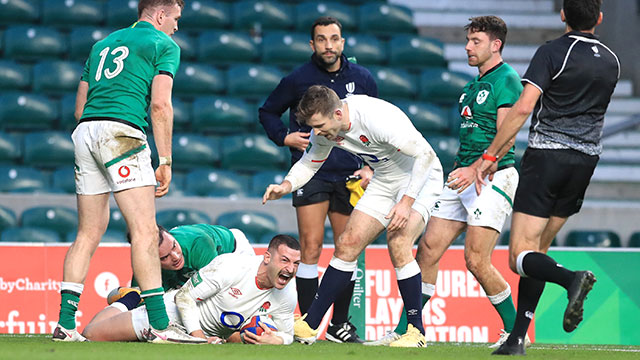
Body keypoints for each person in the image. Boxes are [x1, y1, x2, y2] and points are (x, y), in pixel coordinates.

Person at [366, 16, 527, 348]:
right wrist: (465, 169)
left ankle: (515, 331)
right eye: (467, 40)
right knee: (427, 250)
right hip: (463, 176)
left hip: (492, 176)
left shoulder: (507, 80)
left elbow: (506, 136)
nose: (468, 46)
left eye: (476, 41)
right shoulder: (472, 86)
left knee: (476, 259)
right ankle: (410, 331)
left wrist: (479, 168)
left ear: (496, 45)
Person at [52, 0, 203, 344]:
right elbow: (160, 105)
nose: (177, 26)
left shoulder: (101, 44)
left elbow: (79, 108)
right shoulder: (163, 45)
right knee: (145, 231)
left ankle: (64, 325)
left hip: (86, 132)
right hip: (121, 134)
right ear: (160, 14)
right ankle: (161, 327)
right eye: (176, 18)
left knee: (88, 233)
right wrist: (165, 160)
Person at [474, 0, 619, 355]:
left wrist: (491, 154)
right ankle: (517, 339)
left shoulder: (553, 51)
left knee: (518, 255)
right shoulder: (613, 61)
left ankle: (572, 279)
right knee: (538, 252)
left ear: (562, 15)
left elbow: (524, 106)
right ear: (599, 18)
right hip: (585, 161)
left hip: (547, 158)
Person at [263, 85, 444, 347]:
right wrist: (286, 186)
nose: (317, 133)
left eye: (320, 126)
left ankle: (416, 332)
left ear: (338, 113)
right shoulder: (326, 127)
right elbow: (310, 161)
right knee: (347, 243)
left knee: (398, 240)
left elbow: (425, 156)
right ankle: (310, 324)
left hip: (421, 177)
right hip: (385, 179)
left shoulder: (375, 116)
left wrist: (406, 203)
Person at [258, 16, 377, 343]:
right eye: (321, 39)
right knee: (310, 247)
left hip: (351, 175)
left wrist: (370, 167)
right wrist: (284, 137)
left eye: (334, 38)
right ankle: (309, 327)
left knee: (346, 248)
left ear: (343, 42)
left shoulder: (363, 78)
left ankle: (339, 326)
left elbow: (376, 124)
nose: (328, 45)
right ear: (312, 45)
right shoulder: (298, 79)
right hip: (311, 172)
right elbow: (267, 111)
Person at [82, 235, 301, 345]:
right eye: (284, 260)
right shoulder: (232, 266)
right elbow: (184, 296)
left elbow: (287, 333)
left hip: (209, 336)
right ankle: (130, 299)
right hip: (169, 317)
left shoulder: (288, 293)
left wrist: (278, 340)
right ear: (267, 257)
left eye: (296, 264)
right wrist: (198, 338)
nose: (290, 270)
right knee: (91, 334)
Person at [107, 224, 255, 303]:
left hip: (234, 250)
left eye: (174, 246)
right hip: (185, 272)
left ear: (171, 236)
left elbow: (213, 292)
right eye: (165, 257)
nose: (176, 256)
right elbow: (142, 302)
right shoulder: (145, 265)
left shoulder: (199, 244)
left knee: (240, 295)